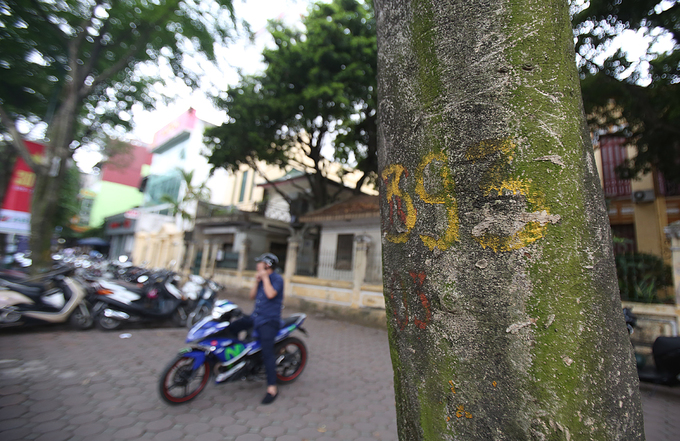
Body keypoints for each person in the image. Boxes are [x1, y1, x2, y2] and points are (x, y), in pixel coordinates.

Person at [229, 253, 284, 404]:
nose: (257, 265)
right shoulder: (261, 279)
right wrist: (256, 281)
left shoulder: (277, 279)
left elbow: (271, 294)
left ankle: (272, 388)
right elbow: (252, 297)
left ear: (267, 265)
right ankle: (236, 358)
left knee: (267, 352)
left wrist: (265, 278)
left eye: (259, 263)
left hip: (270, 321)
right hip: (256, 317)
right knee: (233, 327)